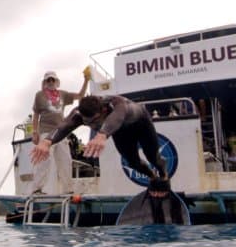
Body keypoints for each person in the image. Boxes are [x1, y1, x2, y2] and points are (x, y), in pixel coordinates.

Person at [31, 94, 169, 183]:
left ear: (103, 111)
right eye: (87, 122)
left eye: (94, 121)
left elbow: (119, 116)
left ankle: (163, 174)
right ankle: (153, 178)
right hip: (120, 132)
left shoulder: (117, 104)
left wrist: (102, 134)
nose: (91, 124)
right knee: (133, 163)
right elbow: (64, 126)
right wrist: (48, 140)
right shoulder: (79, 114)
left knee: (153, 157)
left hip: (140, 124)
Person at [29, 69, 90, 194]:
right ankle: (36, 189)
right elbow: (35, 114)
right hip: (45, 133)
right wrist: (35, 132)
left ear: (56, 81)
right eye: (48, 80)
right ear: (45, 82)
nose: (50, 82)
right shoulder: (39, 95)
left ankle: (68, 189)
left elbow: (80, 96)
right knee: (44, 160)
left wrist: (86, 80)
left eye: (53, 79)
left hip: (61, 133)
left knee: (65, 160)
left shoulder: (63, 94)